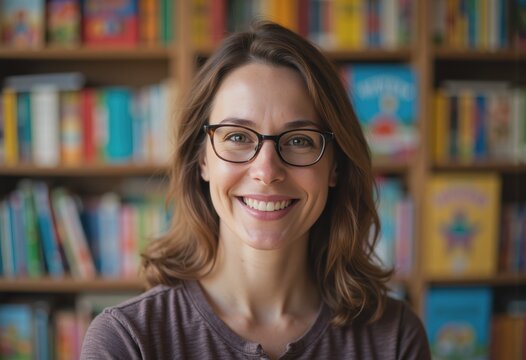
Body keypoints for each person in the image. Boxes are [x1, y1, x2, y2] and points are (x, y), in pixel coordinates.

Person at [81, 21, 431, 360]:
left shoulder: (394, 336)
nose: (266, 171)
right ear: (202, 159)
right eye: (236, 137)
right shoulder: (128, 340)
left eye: (298, 141)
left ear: (335, 166)